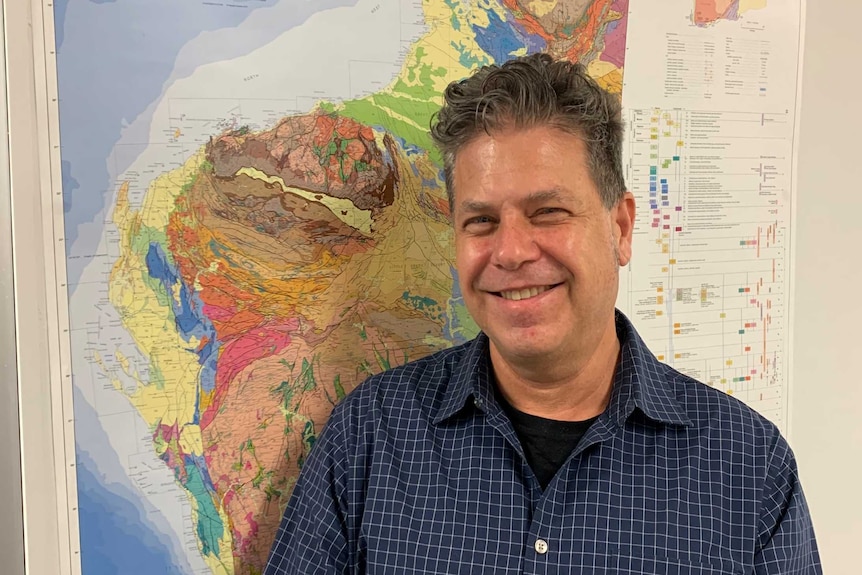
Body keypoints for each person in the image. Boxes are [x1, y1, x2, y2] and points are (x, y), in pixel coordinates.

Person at [264, 53, 821, 574]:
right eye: (481, 221)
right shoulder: (369, 435)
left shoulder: (749, 467)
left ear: (620, 229)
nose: (510, 252)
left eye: (548, 212)